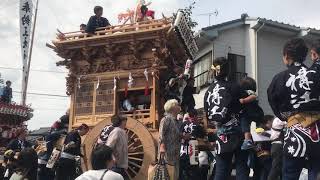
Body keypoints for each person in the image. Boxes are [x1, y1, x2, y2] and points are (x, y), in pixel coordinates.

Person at [267, 38, 320, 180]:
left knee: (290, 173)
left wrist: (287, 116)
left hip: (295, 132)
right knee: (316, 171)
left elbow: (274, 102)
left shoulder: (280, 78)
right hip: (317, 132)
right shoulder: (316, 74)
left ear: (286, 56)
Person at [204, 57, 249, 180]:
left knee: (221, 170)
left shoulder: (208, 91)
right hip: (237, 132)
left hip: (220, 134)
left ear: (214, 71)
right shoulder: (234, 86)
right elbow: (246, 106)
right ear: (227, 71)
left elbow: (207, 114)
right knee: (241, 167)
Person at [159, 99, 189, 180]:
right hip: (168, 151)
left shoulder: (177, 121)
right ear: (172, 108)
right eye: (177, 105)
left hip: (176, 152)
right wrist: (162, 146)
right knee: (168, 173)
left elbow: (176, 134)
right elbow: (161, 133)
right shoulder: (166, 119)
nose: (179, 107)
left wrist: (183, 136)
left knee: (175, 174)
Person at [239, 77, 264, 150]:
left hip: (250, 113)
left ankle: (247, 140)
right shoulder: (249, 92)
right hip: (257, 113)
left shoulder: (248, 92)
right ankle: (258, 142)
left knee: (245, 124)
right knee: (256, 127)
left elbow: (253, 96)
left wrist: (244, 100)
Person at [106, 115, 129, 180]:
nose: (126, 123)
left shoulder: (123, 132)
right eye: (125, 122)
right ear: (121, 122)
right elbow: (108, 147)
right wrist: (113, 158)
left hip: (122, 165)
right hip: (116, 166)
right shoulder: (116, 131)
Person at [252, 115, 273, 180]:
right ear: (268, 122)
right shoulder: (263, 130)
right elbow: (273, 137)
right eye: (272, 121)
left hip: (258, 155)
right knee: (267, 172)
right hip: (265, 155)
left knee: (259, 173)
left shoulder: (257, 129)